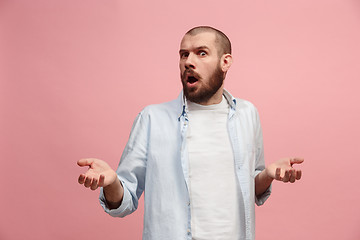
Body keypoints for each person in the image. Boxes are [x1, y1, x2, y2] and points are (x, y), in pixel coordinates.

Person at [77, 26, 303, 240]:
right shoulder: (152, 119)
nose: (189, 62)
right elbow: (123, 201)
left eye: (201, 53)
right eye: (184, 55)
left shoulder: (247, 114)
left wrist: (268, 175)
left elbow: (249, 188)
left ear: (225, 62)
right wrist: (111, 182)